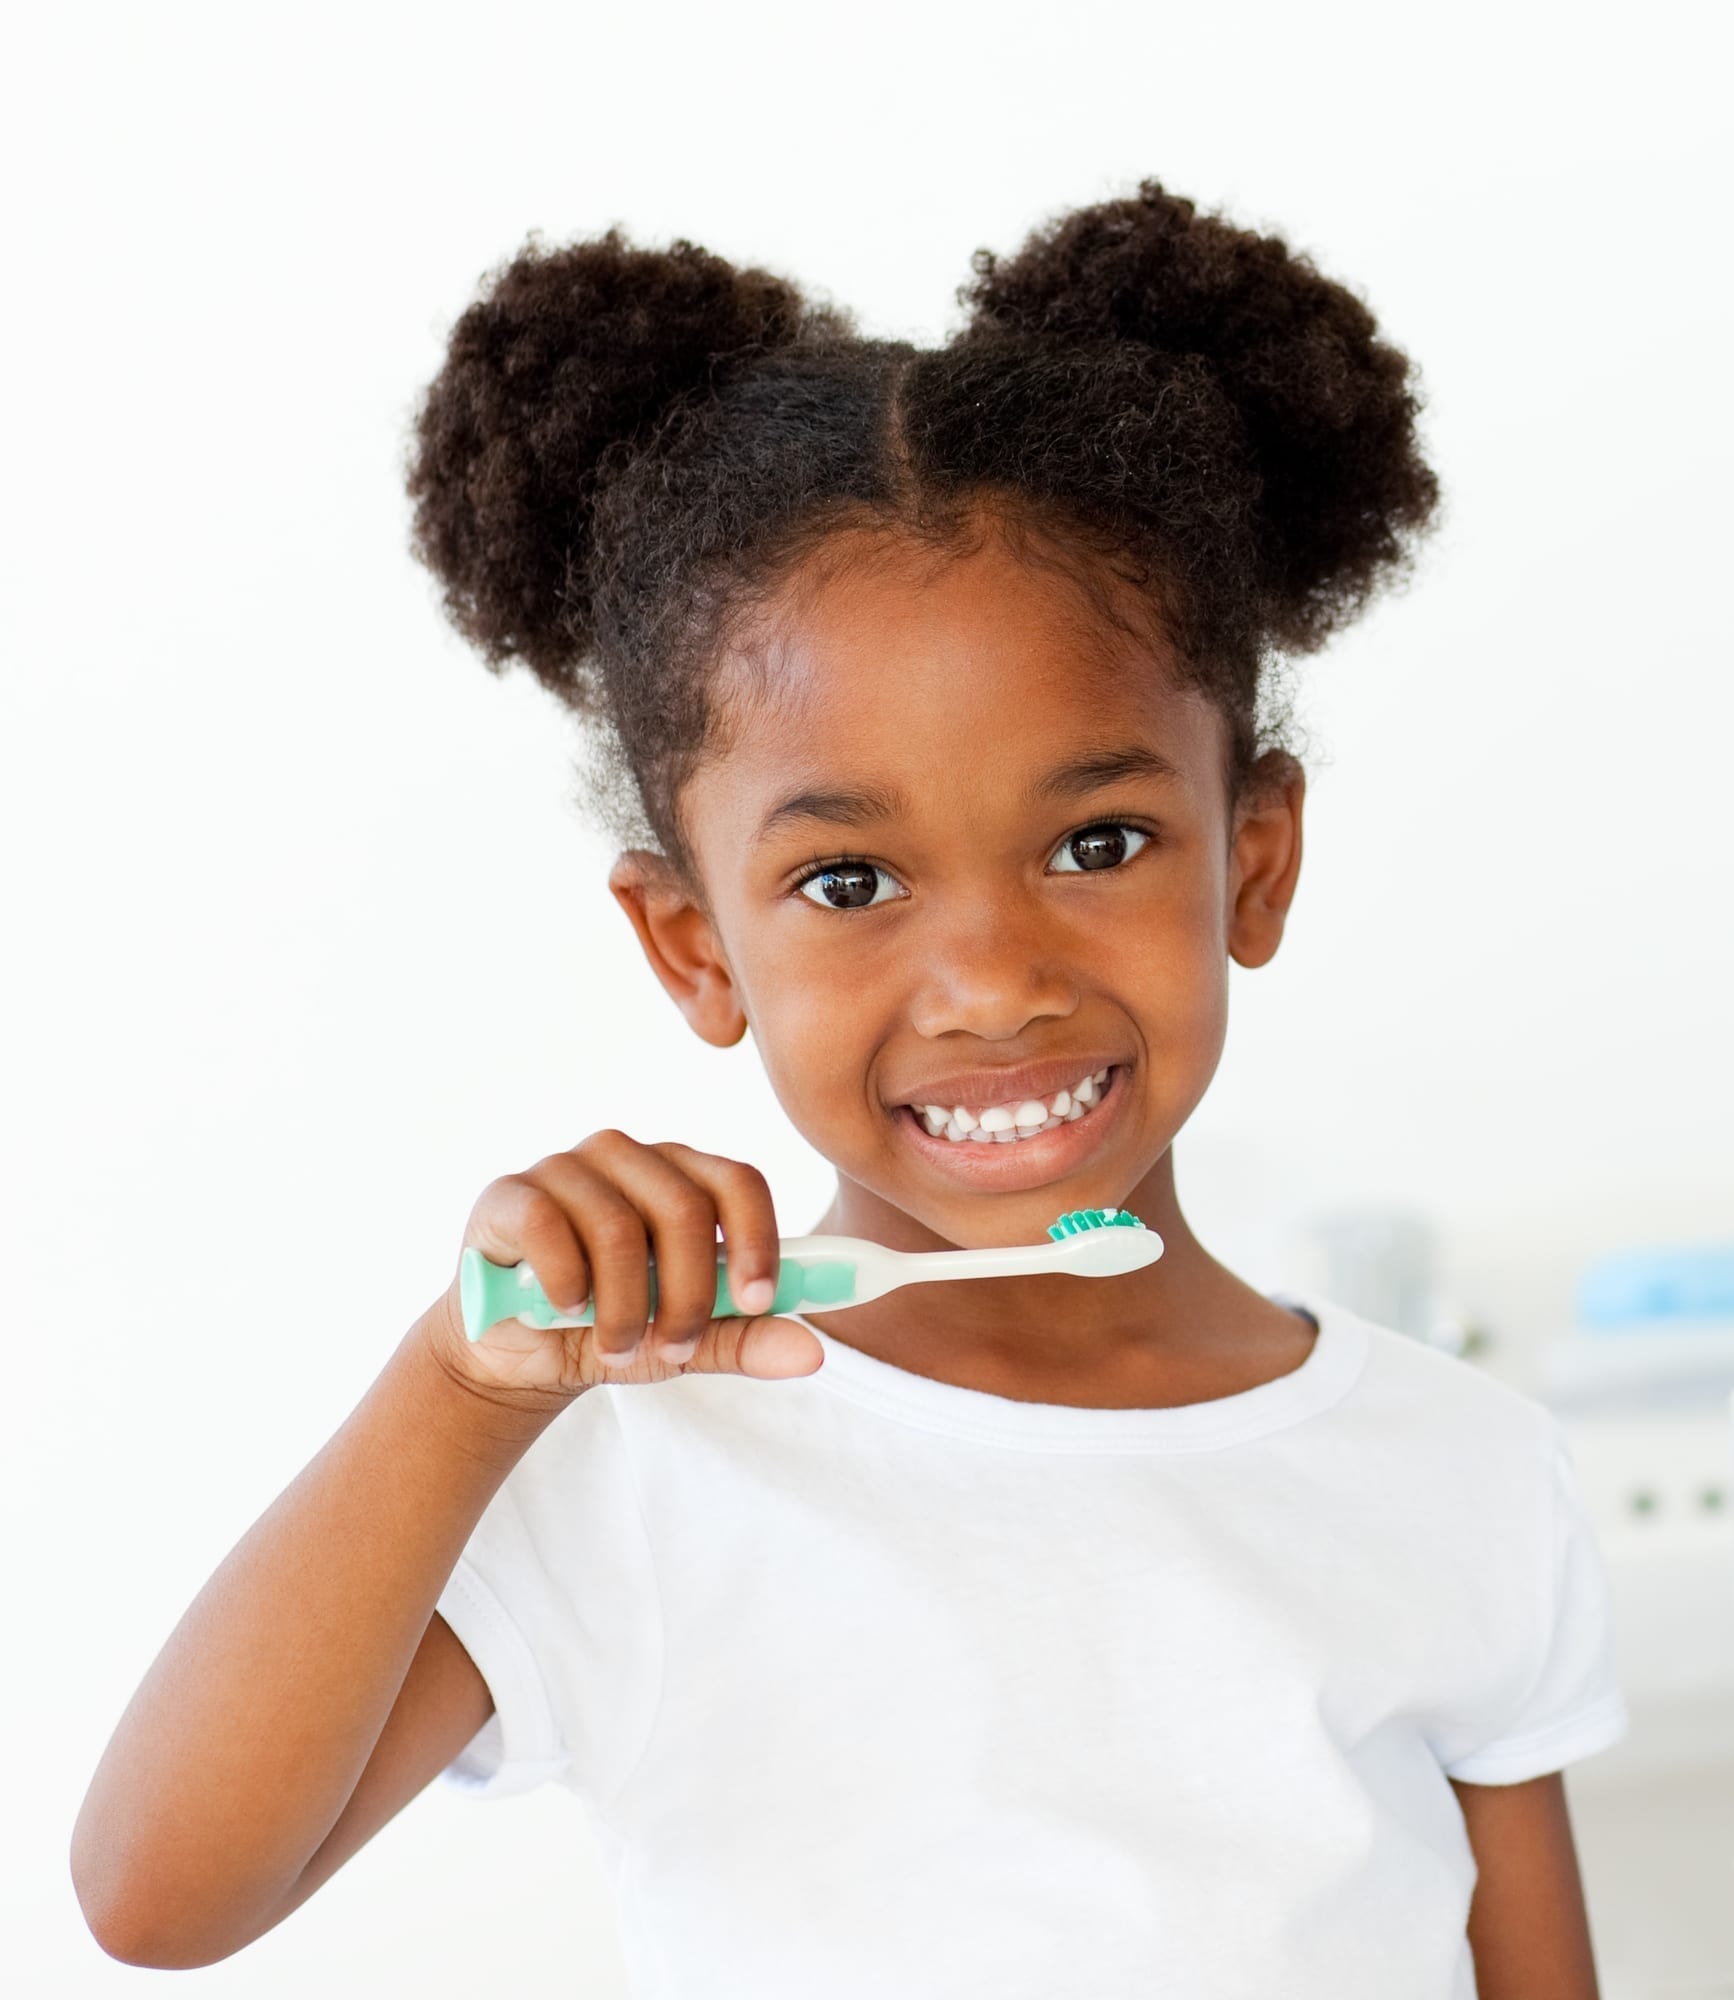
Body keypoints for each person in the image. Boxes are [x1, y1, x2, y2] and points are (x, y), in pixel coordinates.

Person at [71, 179, 1628, 1997]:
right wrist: (457, 1386)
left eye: (1100, 839)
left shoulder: (1461, 1473)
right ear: (693, 948)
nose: (989, 982)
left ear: (1254, 859)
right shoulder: (644, 1458)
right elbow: (160, 1900)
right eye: (848, 883)